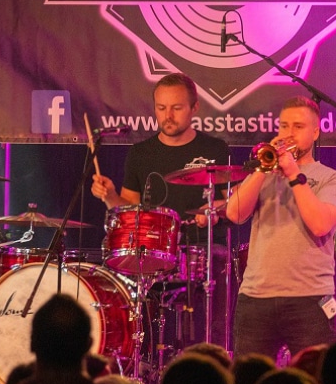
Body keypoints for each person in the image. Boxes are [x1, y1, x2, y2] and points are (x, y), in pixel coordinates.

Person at [90, 73, 233, 346]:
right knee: (146, 331)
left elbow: (236, 204)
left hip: (204, 248)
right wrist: (110, 196)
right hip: (154, 254)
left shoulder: (215, 149)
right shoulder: (140, 153)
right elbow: (129, 212)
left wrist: (215, 209)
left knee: (208, 329)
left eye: (176, 108)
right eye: (161, 108)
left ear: (194, 108)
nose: (167, 116)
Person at [225, 96, 336, 361]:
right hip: (256, 297)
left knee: (316, 378)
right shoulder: (263, 174)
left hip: (312, 298)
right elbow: (234, 213)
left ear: (315, 132)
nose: (288, 134)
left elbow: (319, 225)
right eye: (284, 126)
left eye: (298, 127)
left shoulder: (333, 179)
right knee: (249, 379)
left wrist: (294, 173)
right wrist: (262, 169)